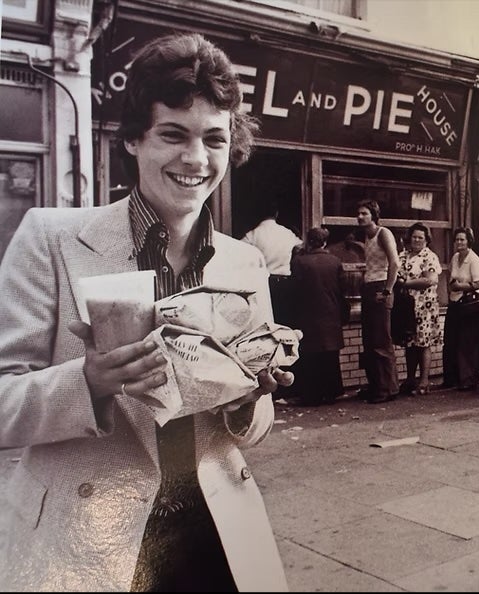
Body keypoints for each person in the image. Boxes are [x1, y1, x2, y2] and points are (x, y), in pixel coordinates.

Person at [0, 33, 290, 591]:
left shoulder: (245, 263)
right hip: (89, 544)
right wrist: (86, 384)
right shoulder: (50, 240)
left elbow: (252, 429)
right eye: (172, 135)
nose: (196, 159)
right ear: (134, 138)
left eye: (215, 139)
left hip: (215, 537)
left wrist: (250, 401)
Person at [289, 227, 346, 405]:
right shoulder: (335, 261)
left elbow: (295, 289)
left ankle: (312, 395)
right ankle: (333, 392)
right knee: (330, 355)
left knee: (310, 357)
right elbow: (342, 290)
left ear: (308, 242)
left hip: (309, 314)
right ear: (325, 242)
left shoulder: (300, 262)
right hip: (331, 313)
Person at [356, 200, 400, 403]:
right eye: (358, 213)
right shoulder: (366, 236)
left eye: (364, 213)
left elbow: (394, 262)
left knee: (382, 339)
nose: (360, 216)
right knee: (370, 339)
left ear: (373, 215)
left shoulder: (384, 233)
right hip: (369, 287)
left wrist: (388, 289)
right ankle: (376, 385)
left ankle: (387, 388)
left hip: (380, 287)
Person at [397, 223, 442, 395]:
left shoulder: (429, 257)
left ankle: (424, 381)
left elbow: (430, 280)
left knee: (423, 343)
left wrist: (406, 283)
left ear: (426, 240)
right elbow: (395, 272)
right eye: (414, 237)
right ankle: (410, 379)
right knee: (410, 342)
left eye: (420, 237)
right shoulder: (403, 255)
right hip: (407, 306)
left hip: (425, 306)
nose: (416, 240)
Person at [241, 202, 303, 326]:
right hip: (286, 284)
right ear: (276, 214)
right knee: (285, 320)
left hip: (264, 284)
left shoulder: (253, 235)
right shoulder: (287, 233)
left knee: (267, 321)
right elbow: (301, 247)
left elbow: (238, 251)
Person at [443, 227, 479, 391]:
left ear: (469, 241)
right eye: (457, 239)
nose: (459, 242)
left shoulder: (474, 259)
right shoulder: (455, 257)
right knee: (451, 341)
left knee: (466, 343)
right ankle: (452, 378)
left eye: (462, 239)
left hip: (468, 306)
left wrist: (461, 286)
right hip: (455, 303)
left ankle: (468, 379)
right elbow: (451, 278)